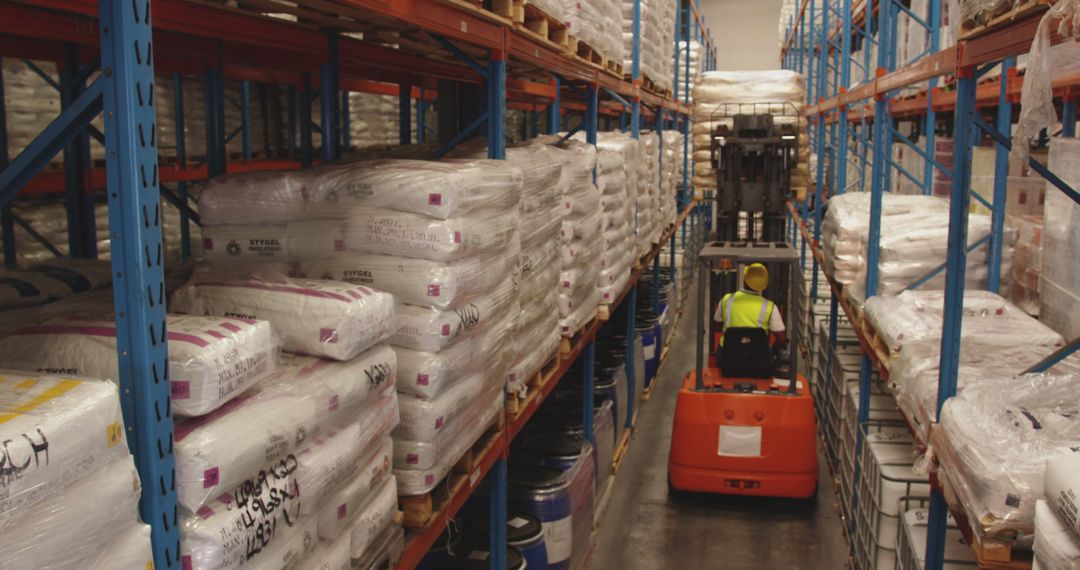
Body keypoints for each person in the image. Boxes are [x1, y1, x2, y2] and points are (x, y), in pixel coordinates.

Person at [714, 263, 787, 347]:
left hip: (728, 354)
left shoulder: (727, 300)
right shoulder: (770, 307)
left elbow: (717, 326)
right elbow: (781, 339)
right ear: (764, 285)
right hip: (758, 357)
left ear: (744, 279)